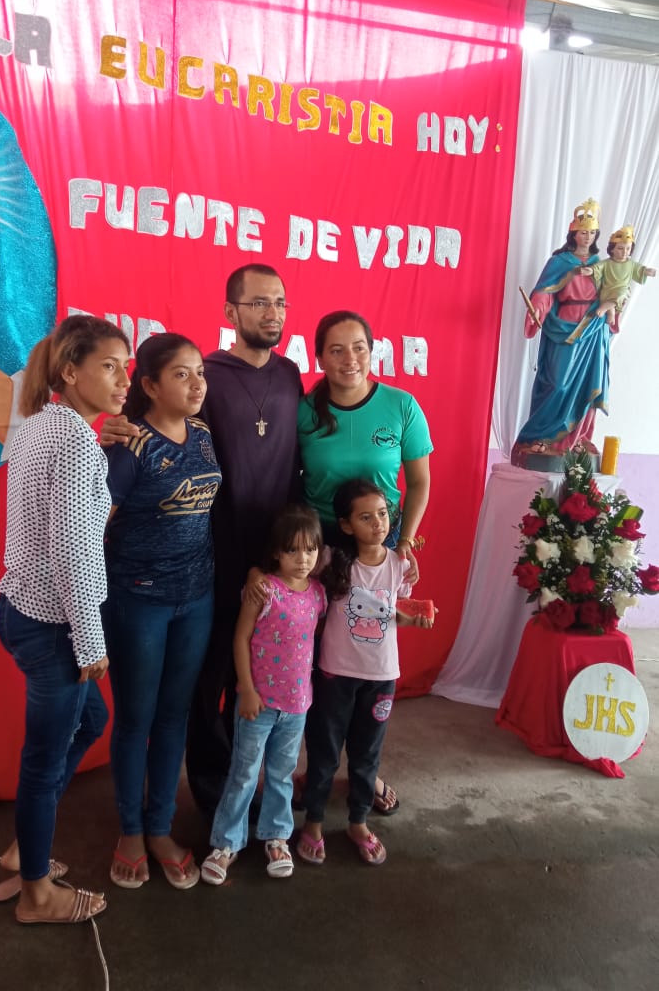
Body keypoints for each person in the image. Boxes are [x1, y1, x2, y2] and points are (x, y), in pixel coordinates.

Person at [101, 264, 303, 818]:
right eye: (259, 302)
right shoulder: (207, 375)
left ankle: (253, 791)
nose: (272, 313)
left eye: (280, 302)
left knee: (265, 678)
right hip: (208, 560)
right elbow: (156, 426)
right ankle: (210, 796)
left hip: (277, 557)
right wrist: (114, 427)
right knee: (203, 685)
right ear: (231, 312)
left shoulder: (290, 375)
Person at [0, 314, 132, 925]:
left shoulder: (42, 423)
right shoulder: (73, 441)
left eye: (126, 367)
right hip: (53, 623)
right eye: (110, 366)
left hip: (20, 609)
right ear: (71, 373)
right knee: (44, 761)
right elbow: (75, 550)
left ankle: (26, 845)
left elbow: (65, 520)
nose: (123, 379)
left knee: (91, 720)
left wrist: (106, 455)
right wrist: (89, 641)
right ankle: (37, 894)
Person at [296, 309, 433, 814]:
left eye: (358, 347)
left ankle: (366, 771)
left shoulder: (401, 406)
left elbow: (418, 482)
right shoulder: (304, 410)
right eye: (336, 349)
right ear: (319, 357)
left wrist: (404, 542)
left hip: (379, 543)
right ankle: (317, 766)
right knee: (318, 664)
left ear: (372, 352)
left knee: (369, 660)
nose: (349, 358)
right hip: (319, 551)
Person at [103, 333, 222, 891]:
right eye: (181, 374)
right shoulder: (128, 447)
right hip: (138, 602)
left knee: (174, 716)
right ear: (149, 385)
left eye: (200, 372)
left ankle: (159, 828)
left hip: (197, 598)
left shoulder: (203, 434)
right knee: (136, 719)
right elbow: (92, 528)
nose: (197, 384)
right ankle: (129, 831)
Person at [297, 479, 434, 867]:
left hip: (381, 676)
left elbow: (393, 612)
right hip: (335, 674)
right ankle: (314, 822)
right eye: (365, 517)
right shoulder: (331, 561)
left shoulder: (399, 565)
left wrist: (414, 619)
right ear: (345, 525)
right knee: (324, 753)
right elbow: (297, 572)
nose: (378, 523)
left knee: (366, 754)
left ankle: (358, 822)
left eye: (382, 514)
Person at [201, 505, 327, 886]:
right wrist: (247, 690)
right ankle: (226, 843)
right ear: (276, 553)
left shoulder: (318, 594)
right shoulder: (263, 590)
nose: (302, 559)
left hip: (297, 706)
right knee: (243, 773)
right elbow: (241, 638)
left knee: (281, 774)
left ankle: (276, 837)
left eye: (310, 549)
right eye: (292, 550)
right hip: (258, 705)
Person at [513, 198, 612, 456]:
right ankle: (541, 437)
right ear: (573, 234)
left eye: (592, 232)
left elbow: (614, 293)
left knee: (588, 385)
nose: (587, 237)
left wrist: (614, 305)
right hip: (563, 328)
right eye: (583, 232)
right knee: (557, 384)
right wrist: (537, 308)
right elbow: (544, 293)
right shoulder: (560, 262)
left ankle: (578, 438)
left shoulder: (602, 265)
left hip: (593, 330)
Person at [577, 224, 656, 331]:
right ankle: (611, 312)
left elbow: (640, 270)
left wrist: (648, 271)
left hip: (622, 291)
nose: (624, 252)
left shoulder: (631, 264)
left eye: (628, 249)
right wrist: (589, 270)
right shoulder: (607, 263)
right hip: (607, 291)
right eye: (620, 248)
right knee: (610, 297)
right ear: (612, 249)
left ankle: (606, 308)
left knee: (621, 293)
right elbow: (597, 268)